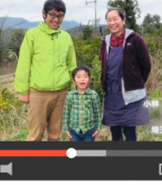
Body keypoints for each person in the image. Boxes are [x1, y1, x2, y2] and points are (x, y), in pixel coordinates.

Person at [13, 0, 77, 141]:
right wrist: (23, 91)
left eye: (60, 16)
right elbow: (24, 64)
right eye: (52, 15)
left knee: (55, 135)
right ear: (44, 14)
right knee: (35, 135)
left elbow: (72, 65)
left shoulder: (66, 37)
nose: (56, 19)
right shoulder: (32, 35)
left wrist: (75, 88)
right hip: (38, 93)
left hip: (62, 93)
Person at [99, 8, 151, 141]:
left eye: (115, 18)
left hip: (129, 95)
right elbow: (103, 65)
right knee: (114, 128)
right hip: (111, 94)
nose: (112, 22)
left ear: (123, 20)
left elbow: (146, 65)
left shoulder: (135, 40)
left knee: (129, 129)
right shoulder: (105, 42)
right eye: (109, 20)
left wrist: (135, 82)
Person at [62, 65, 102, 141]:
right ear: (73, 80)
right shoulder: (70, 95)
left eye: (85, 77)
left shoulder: (93, 95)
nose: (82, 79)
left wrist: (98, 128)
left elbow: (98, 113)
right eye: (78, 77)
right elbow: (66, 113)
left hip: (89, 130)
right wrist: (65, 128)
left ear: (89, 79)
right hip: (74, 130)